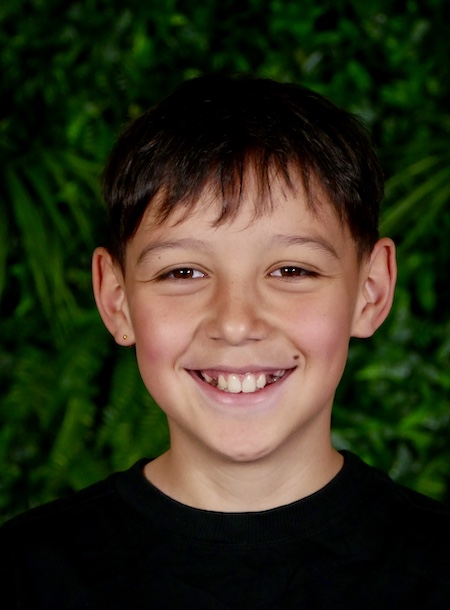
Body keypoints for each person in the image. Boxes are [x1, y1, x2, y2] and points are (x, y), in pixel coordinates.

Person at [1, 74, 449, 609]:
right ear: (117, 300)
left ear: (370, 291)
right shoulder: (22, 578)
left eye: (291, 270)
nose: (236, 323)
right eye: (183, 273)